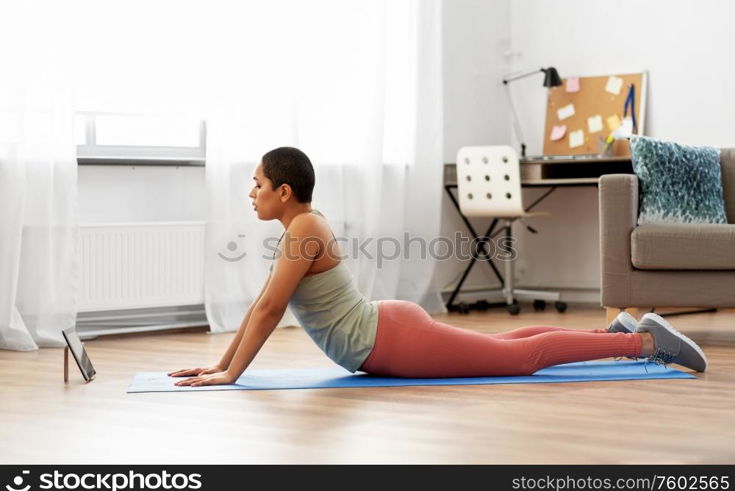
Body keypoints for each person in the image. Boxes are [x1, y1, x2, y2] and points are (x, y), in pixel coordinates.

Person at [168, 147, 708, 387]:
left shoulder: (305, 229)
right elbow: (262, 307)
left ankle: (642, 344)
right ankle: (609, 331)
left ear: (284, 192)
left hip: (391, 340)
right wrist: (219, 365)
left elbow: (268, 308)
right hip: (388, 331)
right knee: (511, 344)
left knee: (521, 358)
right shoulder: (300, 228)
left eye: (258, 184)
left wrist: (231, 373)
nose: (251, 193)